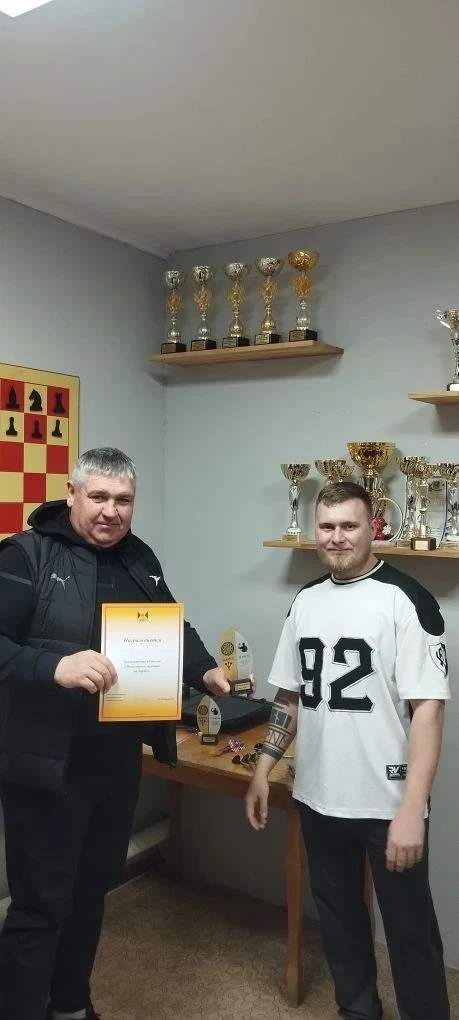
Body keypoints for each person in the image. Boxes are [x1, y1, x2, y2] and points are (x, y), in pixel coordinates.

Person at [0, 447, 229, 1020]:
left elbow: (172, 626)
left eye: (122, 499)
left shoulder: (139, 558)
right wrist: (54, 666)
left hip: (115, 762)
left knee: (90, 892)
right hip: (45, 766)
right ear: (71, 495)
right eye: (98, 496)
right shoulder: (25, 554)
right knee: (40, 907)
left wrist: (203, 668)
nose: (110, 511)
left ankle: (71, 1007)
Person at [246, 481, 450, 1020]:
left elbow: (429, 712)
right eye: (327, 527)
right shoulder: (305, 600)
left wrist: (413, 809)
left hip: (388, 805)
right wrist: (264, 767)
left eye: (349, 526)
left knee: (410, 932)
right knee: (339, 923)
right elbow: (290, 695)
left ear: (373, 528)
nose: (337, 537)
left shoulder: (407, 600)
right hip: (318, 797)